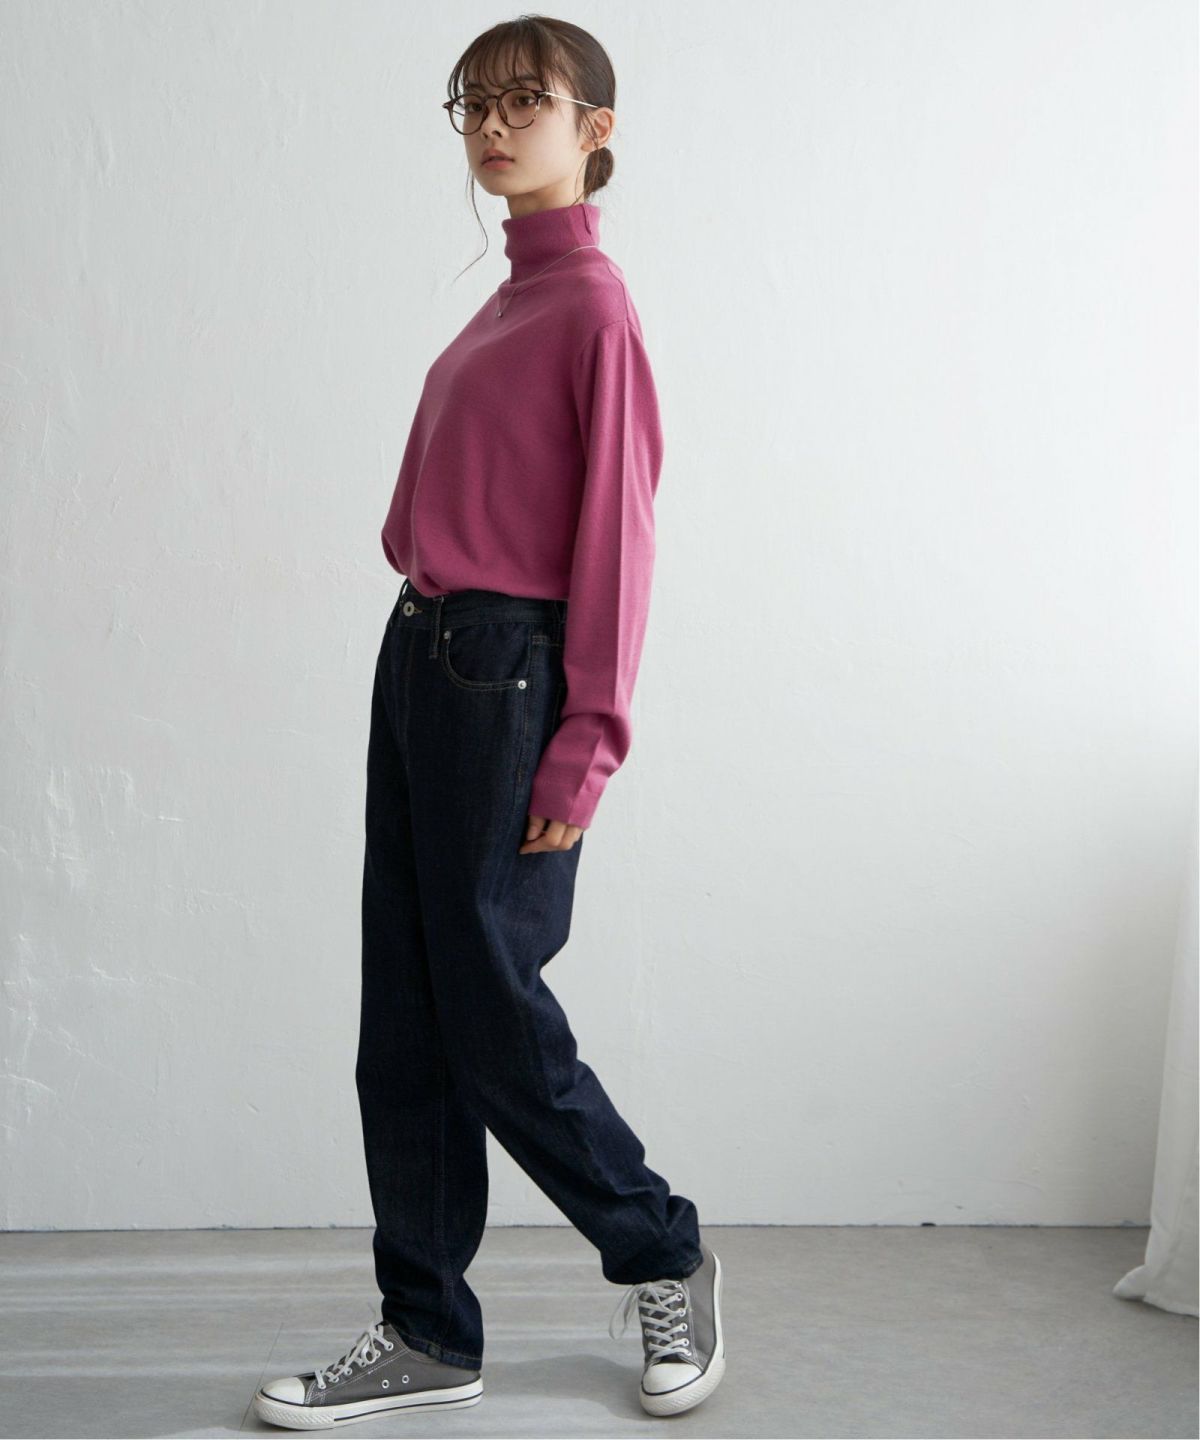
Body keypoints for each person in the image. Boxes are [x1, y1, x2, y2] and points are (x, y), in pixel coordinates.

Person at [252, 15, 724, 1430]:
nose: (497, 125)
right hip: (425, 657)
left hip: (507, 674)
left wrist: (590, 742)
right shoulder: (503, 300)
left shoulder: (592, 310)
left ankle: (662, 1251)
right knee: (404, 1018)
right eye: (476, 104)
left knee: (493, 1008)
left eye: (530, 101)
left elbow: (619, 545)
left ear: (596, 130)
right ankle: (425, 1330)